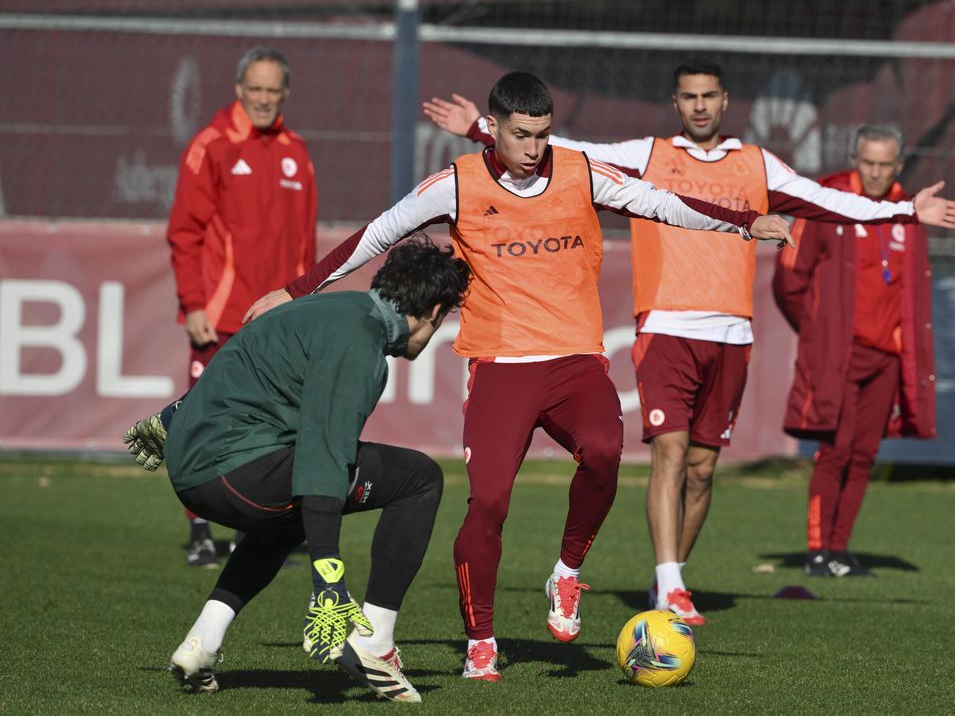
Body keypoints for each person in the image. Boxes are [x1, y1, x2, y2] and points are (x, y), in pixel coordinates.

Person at [244, 71, 794, 683]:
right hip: (501, 365)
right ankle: (481, 642)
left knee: (607, 451)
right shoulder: (455, 183)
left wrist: (744, 221)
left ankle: (567, 572)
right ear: (495, 127)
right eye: (522, 135)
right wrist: (293, 291)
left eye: (543, 135)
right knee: (490, 503)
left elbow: (661, 200)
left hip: (574, 360)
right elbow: (376, 233)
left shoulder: (581, 171)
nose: (534, 149)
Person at [422, 62, 955, 622]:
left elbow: (824, 202)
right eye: (689, 96)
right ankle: (667, 584)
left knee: (704, 469)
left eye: (709, 95)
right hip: (665, 326)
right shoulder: (648, 154)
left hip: (732, 331)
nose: (700, 106)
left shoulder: (757, 163)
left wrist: (904, 211)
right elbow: (561, 149)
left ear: (726, 101)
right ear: (677, 102)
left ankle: (669, 573)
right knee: (670, 453)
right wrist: (480, 131)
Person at [124, 237, 471, 702]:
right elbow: (322, 455)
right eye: (444, 317)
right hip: (238, 472)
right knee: (419, 478)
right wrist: (328, 575)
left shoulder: (325, 310)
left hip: (194, 469)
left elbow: (241, 362)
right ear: (432, 310)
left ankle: (202, 642)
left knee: (284, 517)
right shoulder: (359, 340)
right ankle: (376, 642)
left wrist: (173, 417)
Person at [166, 46, 317, 568]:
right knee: (201, 421)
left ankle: (261, 534)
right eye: (255, 88)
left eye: (273, 90)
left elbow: (305, 245)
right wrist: (194, 304)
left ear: (285, 94)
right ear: (238, 89)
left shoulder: (298, 150)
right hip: (222, 316)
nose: (263, 98)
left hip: (277, 322)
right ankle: (200, 533)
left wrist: (303, 307)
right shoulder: (210, 145)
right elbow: (184, 233)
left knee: (277, 427)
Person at [773, 124, 937, 578]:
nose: (877, 172)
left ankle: (841, 550)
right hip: (840, 353)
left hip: (887, 355)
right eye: (869, 162)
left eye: (886, 164)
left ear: (899, 165)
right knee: (835, 449)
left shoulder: (908, 208)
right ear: (854, 158)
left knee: (864, 454)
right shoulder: (827, 200)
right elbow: (790, 278)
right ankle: (817, 550)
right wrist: (817, 333)